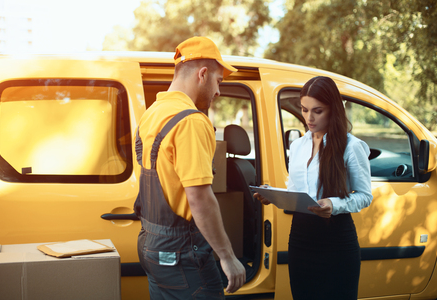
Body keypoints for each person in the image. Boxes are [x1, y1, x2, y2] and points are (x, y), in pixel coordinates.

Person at [134, 36, 246, 299]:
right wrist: (227, 257)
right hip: (182, 252)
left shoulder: (152, 114)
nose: (218, 92)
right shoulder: (191, 121)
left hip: (152, 246)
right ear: (203, 74)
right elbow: (198, 197)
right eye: (218, 82)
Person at [254, 76, 373, 299]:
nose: (308, 117)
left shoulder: (352, 147)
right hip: (301, 239)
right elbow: (296, 189)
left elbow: (365, 196)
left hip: (336, 240)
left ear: (333, 109)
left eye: (317, 111)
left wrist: (334, 204)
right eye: (304, 109)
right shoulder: (297, 145)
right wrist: (274, 195)